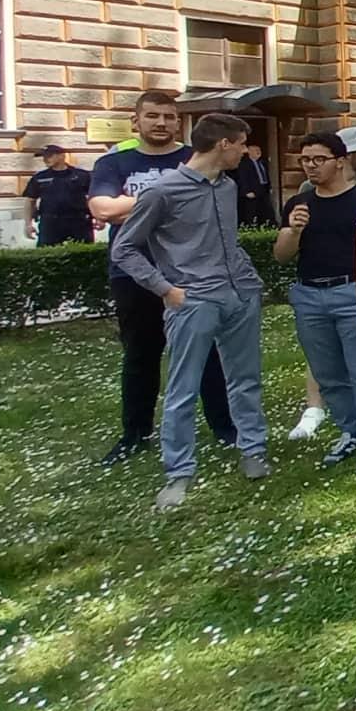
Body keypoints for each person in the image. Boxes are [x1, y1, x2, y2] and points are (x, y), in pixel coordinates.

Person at [111, 112, 273, 510]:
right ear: (223, 144)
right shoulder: (163, 192)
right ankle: (178, 473)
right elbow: (124, 248)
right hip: (194, 300)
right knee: (183, 389)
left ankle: (253, 450)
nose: (244, 152)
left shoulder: (227, 186)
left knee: (245, 379)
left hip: (240, 294)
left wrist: (249, 281)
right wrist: (165, 289)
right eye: (240, 144)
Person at [89, 90, 237, 466]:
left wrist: (137, 205)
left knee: (206, 353)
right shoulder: (114, 163)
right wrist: (166, 198)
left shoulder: (191, 157)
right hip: (133, 274)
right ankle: (135, 434)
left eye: (169, 117)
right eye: (153, 116)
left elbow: (208, 205)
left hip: (191, 274)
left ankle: (225, 428)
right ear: (136, 121)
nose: (161, 123)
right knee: (141, 355)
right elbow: (103, 209)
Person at [274, 132, 356, 472]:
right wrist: (293, 231)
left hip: (352, 292)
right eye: (305, 160)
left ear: (339, 161)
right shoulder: (300, 203)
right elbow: (281, 256)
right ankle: (349, 431)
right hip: (309, 295)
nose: (311, 166)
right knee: (327, 374)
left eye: (319, 159)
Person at [24, 144, 93, 247]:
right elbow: (30, 201)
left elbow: (93, 197)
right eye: (44, 157)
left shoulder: (81, 175)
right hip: (50, 223)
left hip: (78, 222)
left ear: (62, 156)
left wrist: (99, 218)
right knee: (47, 255)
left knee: (84, 253)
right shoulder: (39, 177)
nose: (45, 160)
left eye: (49, 156)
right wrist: (28, 224)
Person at [233, 137, 278, 228]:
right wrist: (246, 191)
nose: (259, 152)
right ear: (249, 151)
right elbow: (242, 178)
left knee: (267, 210)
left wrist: (269, 188)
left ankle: (269, 227)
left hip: (263, 190)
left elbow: (265, 176)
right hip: (251, 192)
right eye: (256, 150)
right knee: (252, 212)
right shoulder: (244, 164)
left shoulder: (262, 162)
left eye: (259, 150)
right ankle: (251, 228)